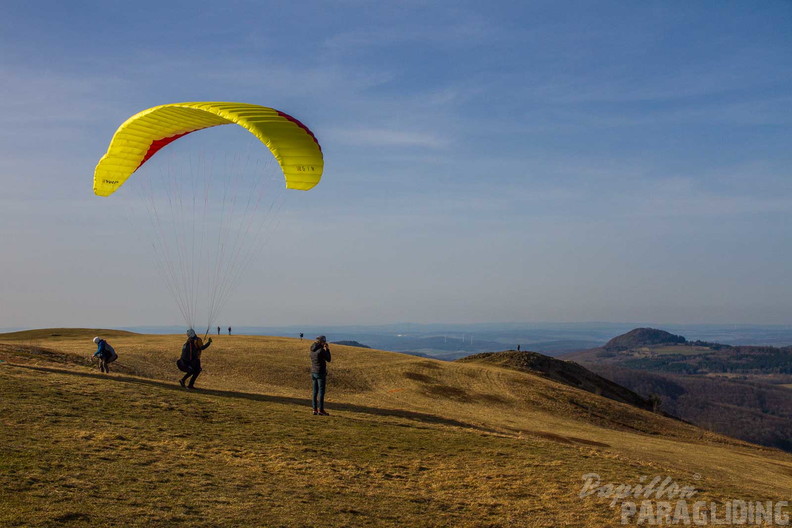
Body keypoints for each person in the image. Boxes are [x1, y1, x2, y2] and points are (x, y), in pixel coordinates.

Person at [310, 335, 332, 415]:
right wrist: (327, 349)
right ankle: (321, 410)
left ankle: (314, 409)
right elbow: (329, 359)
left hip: (313, 372)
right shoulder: (321, 350)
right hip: (320, 373)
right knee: (321, 392)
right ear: (322, 342)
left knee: (315, 392)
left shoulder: (312, 349)